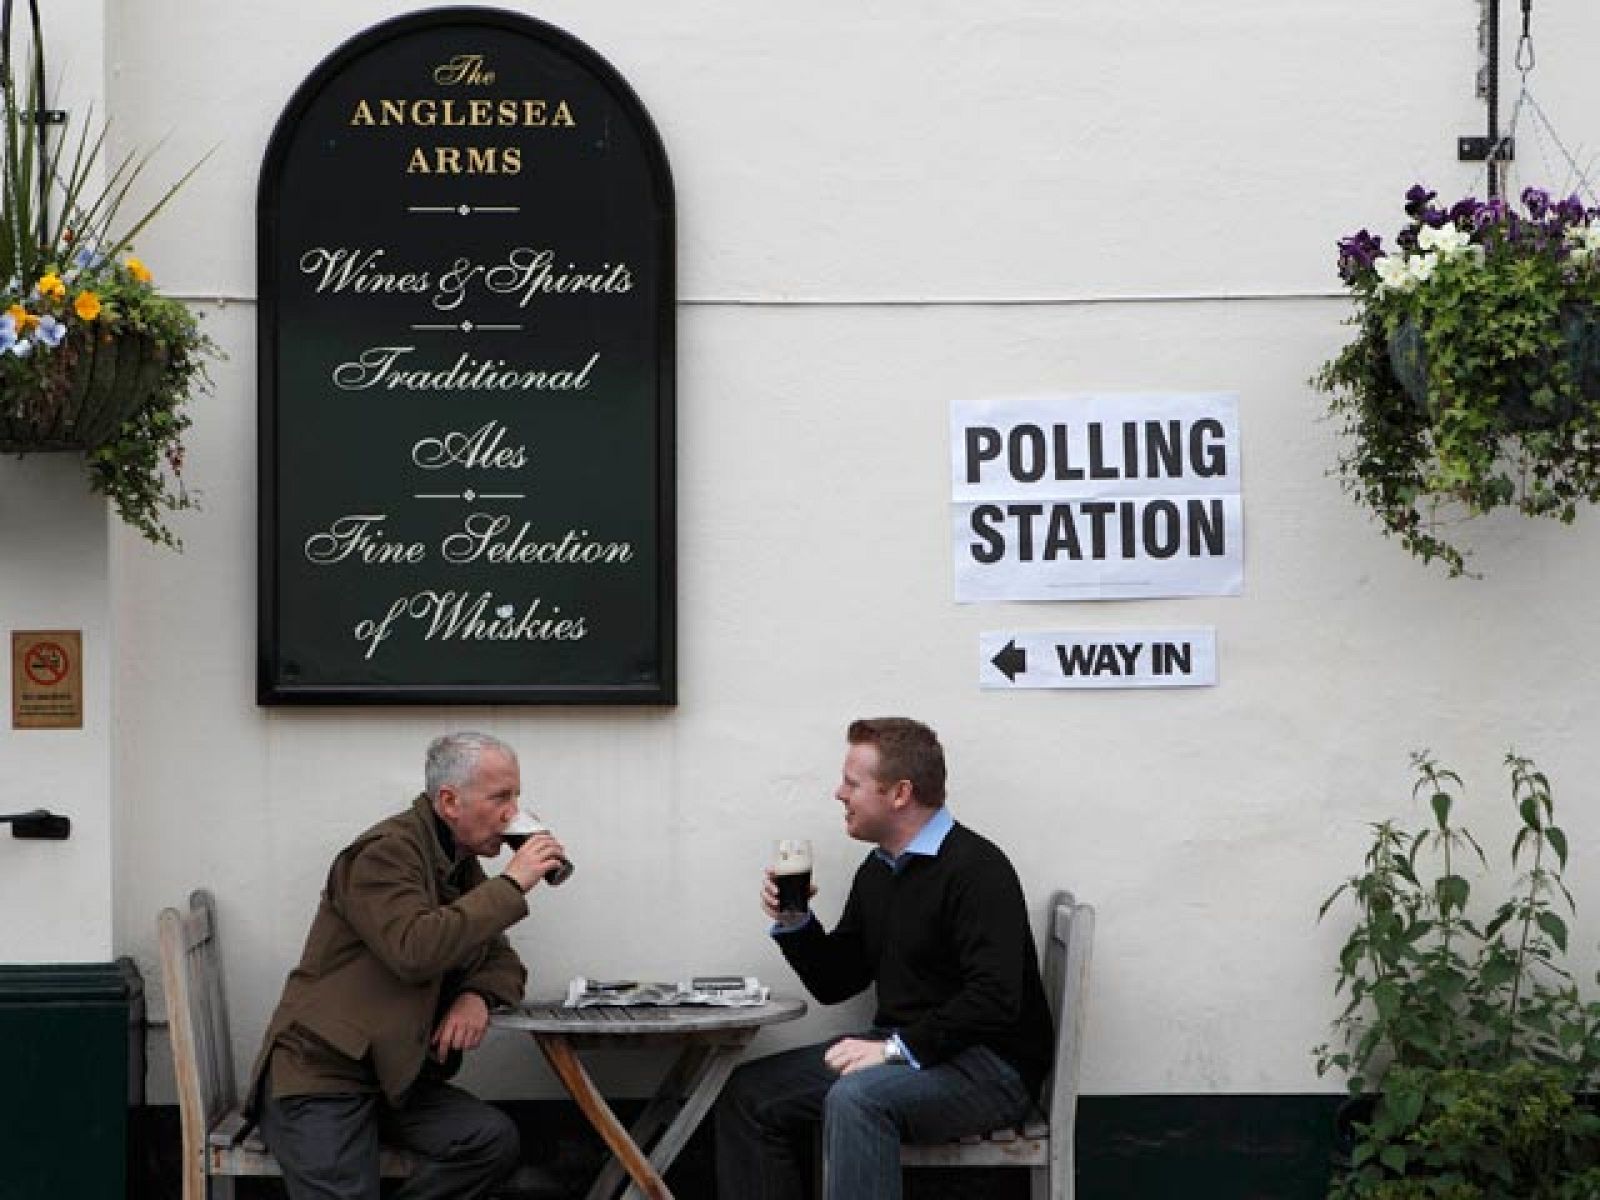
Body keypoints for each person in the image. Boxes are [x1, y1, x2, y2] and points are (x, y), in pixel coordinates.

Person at [715, 717, 1053, 1200]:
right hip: (910, 1051)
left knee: (858, 1099)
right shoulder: (879, 870)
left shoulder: (978, 870)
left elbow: (995, 1000)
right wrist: (796, 922)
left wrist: (894, 1050)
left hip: (989, 1068)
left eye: (852, 783)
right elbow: (837, 980)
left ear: (899, 794)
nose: (838, 793)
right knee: (750, 1096)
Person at [246, 731, 568, 1200]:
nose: (513, 812)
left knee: (488, 1141)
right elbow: (414, 952)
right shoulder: (385, 854)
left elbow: (499, 957)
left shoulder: (456, 860)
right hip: (322, 1075)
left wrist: (475, 996)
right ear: (450, 801)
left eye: (516, 796)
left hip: (393, 1077)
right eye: (501, 797)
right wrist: (513, 884)